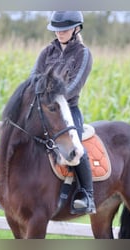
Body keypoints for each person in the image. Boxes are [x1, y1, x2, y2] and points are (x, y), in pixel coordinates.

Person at [31, 11, 96, 214]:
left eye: (65, 29)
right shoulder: (46, 52)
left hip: (68, 109)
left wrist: (54, 100)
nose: (60, 33)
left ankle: (87, 195)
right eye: (57, 29)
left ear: (76, 29)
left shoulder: (83, 54)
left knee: (75, 146)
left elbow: (75, 86)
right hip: (44, 109)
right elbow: (33, 78)